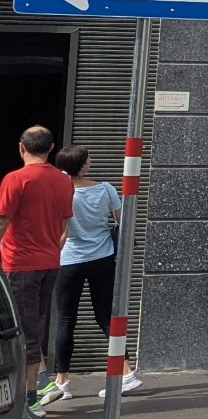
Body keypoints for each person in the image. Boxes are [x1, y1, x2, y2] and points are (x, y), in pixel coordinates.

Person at [38, 145, 140, 407]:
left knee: (66, 320)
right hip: (102, 258)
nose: (91, 160)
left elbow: (56, 228)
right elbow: (123, 222)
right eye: (88, 159)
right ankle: (127, 372)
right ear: (83, 166)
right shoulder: (105, 189)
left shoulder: (60, 191)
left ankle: (62, 382)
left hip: (69, 260)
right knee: (106, 316)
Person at [6, 127, 74, 409]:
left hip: (19, 264)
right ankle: (40, 385)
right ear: (52, 148)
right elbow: (63, 228)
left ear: (21, 147)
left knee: (23, 332)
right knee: (34, 326)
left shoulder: (15, 179)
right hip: (49, 263)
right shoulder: (64, 182)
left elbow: (2, 222)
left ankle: (30, 401)